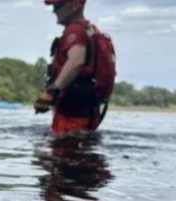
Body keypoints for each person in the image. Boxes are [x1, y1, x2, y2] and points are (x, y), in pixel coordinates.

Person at [35, 0, 116, 134]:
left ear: (75, 6)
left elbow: (76, 61)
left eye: (58, 6)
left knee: (63, 152)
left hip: (72, 113)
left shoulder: (75, 30)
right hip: (87, 111)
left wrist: (52, 91)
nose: (54, 11)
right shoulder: (90, 29)